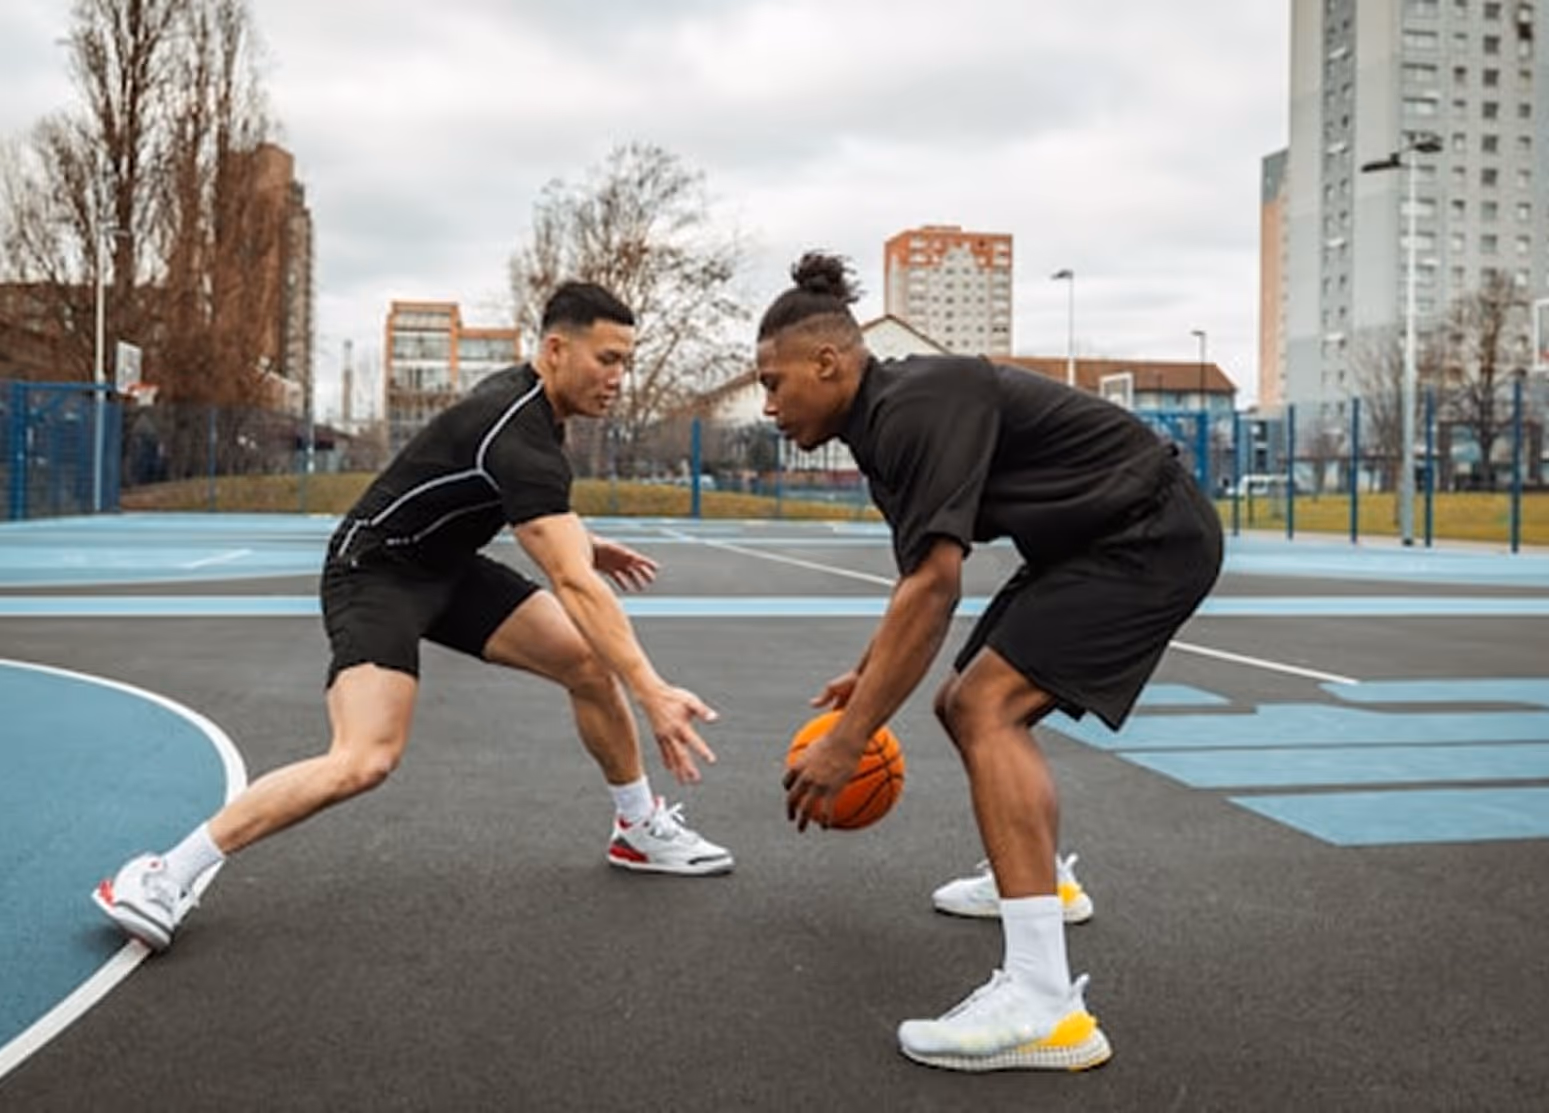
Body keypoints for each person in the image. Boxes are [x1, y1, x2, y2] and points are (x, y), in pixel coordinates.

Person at [94, 281, 733, 953]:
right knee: (365, 758)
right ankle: (164, 873)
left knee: (586, 661)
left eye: (625, 361)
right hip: (375, 571)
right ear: (554, 349)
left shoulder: (533, 408)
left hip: (446, 565)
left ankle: (635, 828)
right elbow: (572, 581)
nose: (618, 378)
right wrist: (653, 690)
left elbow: (488, 491)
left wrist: (583, 539)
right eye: (608, 359)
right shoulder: (517, 430)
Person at [761, 253, 1222, 1072]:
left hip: (1147, 534)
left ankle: (1045, 1004)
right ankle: (1043, 879)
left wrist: (850, 736)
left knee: (986, 708)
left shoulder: (910, 408)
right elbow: (918, 579)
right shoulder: (880, 422)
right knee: (957, 703)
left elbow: (937, 587)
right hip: (1092, 539)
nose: (768, 405)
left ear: (826, 362)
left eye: (773, 381)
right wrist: (867, 674)